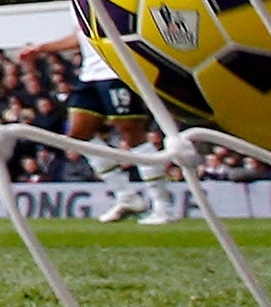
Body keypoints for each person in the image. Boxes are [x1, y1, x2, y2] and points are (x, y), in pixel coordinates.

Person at [16, 29, 174, 225]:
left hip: (116, 70)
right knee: (79, 136)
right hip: (90, 74)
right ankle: (126, 195)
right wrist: (42, 48)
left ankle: (163, 205)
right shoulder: (78, 1)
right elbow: (81, 34)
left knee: (132, 134)